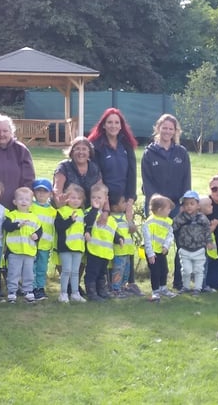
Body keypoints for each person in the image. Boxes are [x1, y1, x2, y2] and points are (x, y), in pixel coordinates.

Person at [88, 108, 140, 295]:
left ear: (121, 125)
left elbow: (132, 173)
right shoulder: (96, 145)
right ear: (103, 124)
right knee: (106, 241)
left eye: (117, 122)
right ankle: (105, 285)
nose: (113, 125)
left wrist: (130, 201)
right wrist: (105, 205)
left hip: (123, 201)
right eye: (109, 122)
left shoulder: (126, 145)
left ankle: (126, 284)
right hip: (105, 202)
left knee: (124, 242)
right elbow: (97, 175)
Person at [141, 114, 191, 215]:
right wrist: (157, 204)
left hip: (176, 206)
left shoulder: (182, 153)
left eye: (170, 129)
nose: (167, 131)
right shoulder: (149, 153)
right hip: (156, 206)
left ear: (175, 131)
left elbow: (186, 181)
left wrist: (184, 204)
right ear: (158, 128)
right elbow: (147, 182)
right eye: (164, 128)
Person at [2, 187, 42, 304]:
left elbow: (40, 230)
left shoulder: (34, 217)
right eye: (21, 199)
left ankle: (28, 291)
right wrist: (17, 225)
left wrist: (37, 235)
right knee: (13, 273)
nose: (24, 202)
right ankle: (12, 292)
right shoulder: (12, 215)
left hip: (29, 251)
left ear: (31, 203)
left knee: (28, 272)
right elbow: (6, 226)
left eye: (27, 200)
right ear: (15, 202)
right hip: (15, 251)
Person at [83, 183, 122, 302]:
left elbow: (112, 231)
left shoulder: (109, 218)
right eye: (93, 197)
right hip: (94, 249)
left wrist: (119, 238)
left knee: (102, 273)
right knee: (92, 272)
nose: (96, 200)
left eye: (99, 198)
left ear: (106, 199)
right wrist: (94, 209)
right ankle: (91, 292)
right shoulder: (90, 212)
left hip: (105, 252)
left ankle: (102, 290)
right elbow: (87, 222)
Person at [172, 191, 214, 295]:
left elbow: (207, 230)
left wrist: (209, 242)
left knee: (199, 270)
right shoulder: (180, 217)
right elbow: (173, 228)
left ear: (198, 205)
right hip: (185, 248)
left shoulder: (202, 218)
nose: (189, 206)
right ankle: (185, 287)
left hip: (199, 248)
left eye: (192, 204)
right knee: (186, 270)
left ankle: (198, 288)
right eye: (186, 204)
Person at [54, 184, 90, 303]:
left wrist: (86, 234)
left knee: (75, 272)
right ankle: (63, 293)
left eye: (79, 198)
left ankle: (75, 293)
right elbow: (59, 227)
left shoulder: (81, 213)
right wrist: (70, 220)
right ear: (67, 198)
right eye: (73, 198)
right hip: (65, 246)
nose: (76, 201)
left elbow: (82, 228)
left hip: (78, 247)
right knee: (66, 271)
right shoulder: (62, 211)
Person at [142, 194, 177, 302]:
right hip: (152, 252)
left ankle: (163, 288)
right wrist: (150, 254)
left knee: (164, 270)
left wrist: (166, 246)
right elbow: (147, 240)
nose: (169, 211)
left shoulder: (168, 221)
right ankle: (155, 291)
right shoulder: (149, 222)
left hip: (161, 251)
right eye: (168, 208)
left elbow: (170, 234)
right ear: (159, 209)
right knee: (155, 272)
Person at [52, 136, 102, 208]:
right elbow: (57, 190)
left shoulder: (94, 168)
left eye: (84, 149)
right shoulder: (64, 167)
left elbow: (101, 191)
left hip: (88, 211)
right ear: (72, 151)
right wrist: (60, 204)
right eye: (77, 149)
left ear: (89, 152)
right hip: (65, 209)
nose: (81, 152)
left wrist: (105, 210)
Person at [31, 178, 56, 301]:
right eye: (38, 191)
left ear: (50, 194)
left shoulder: (52, 211)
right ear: (34, 193)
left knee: (42, 267)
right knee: (32, 267)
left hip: (45, 245)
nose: (41, 194)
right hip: (32, 243)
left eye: (45, 191)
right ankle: (31, 288)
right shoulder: (31, 207)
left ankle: (40, 288)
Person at [109, 194, 135, 298]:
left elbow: (133, 230)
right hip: (119, 250)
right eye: (123, 202)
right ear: (115, 206)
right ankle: (116, 289)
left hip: (128, 250)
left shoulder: (125, 216)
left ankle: (123, 287)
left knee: (126, 270)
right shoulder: (111, 218)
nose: (125, 204)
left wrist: (129, 220)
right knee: (118, 270)